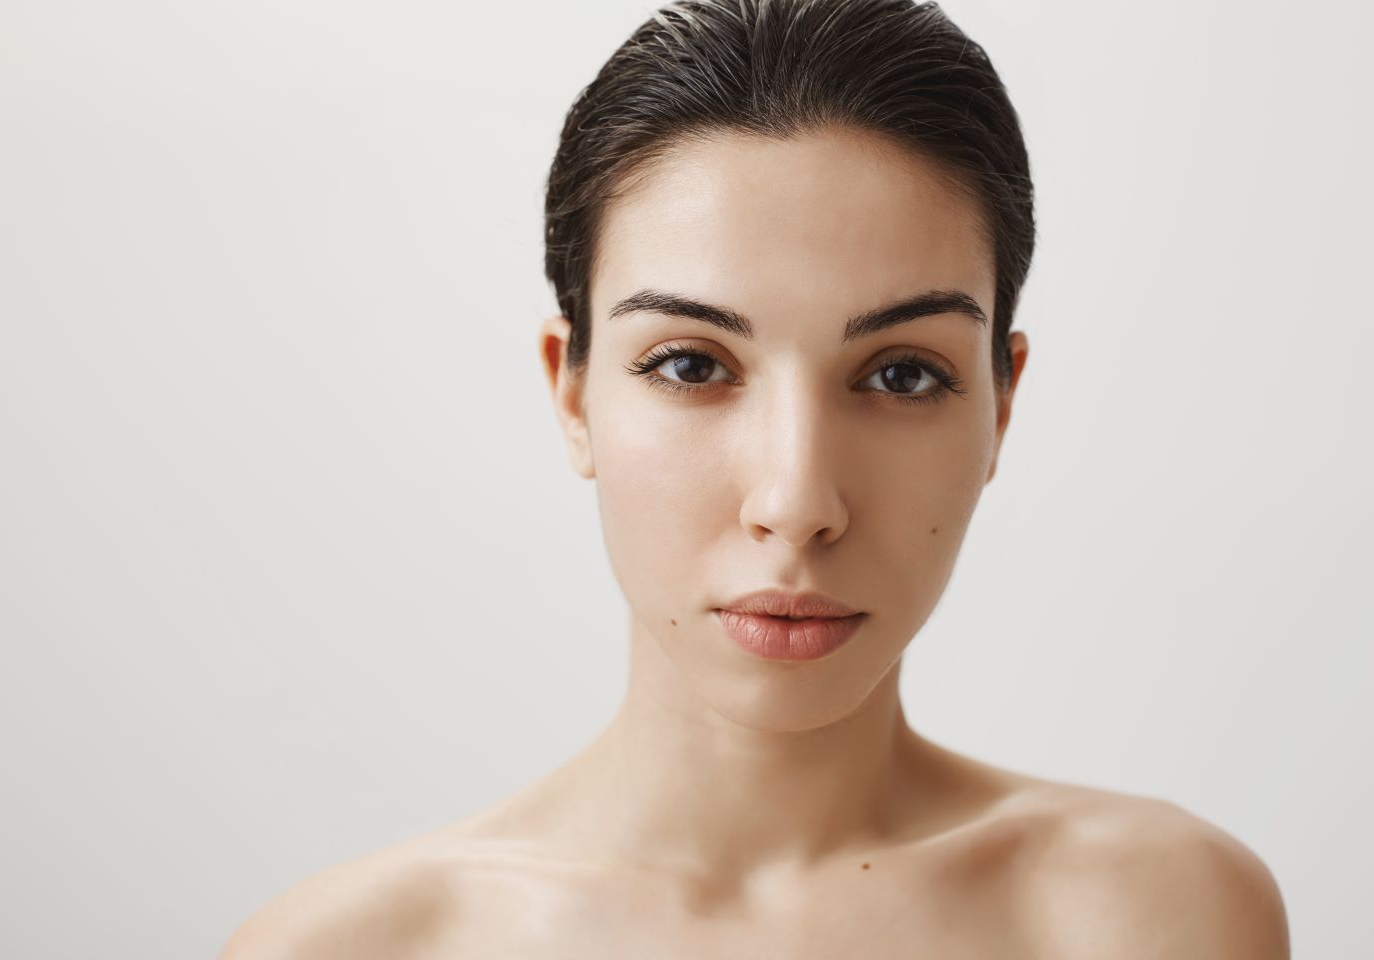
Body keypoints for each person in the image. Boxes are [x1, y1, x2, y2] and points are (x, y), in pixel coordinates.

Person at [221, 0, 1290, 955]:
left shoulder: (1156, 918)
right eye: (691, 365)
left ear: (1001, 404)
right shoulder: (350, 948)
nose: (796, 503)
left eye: (902, 374)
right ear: (571, 389)